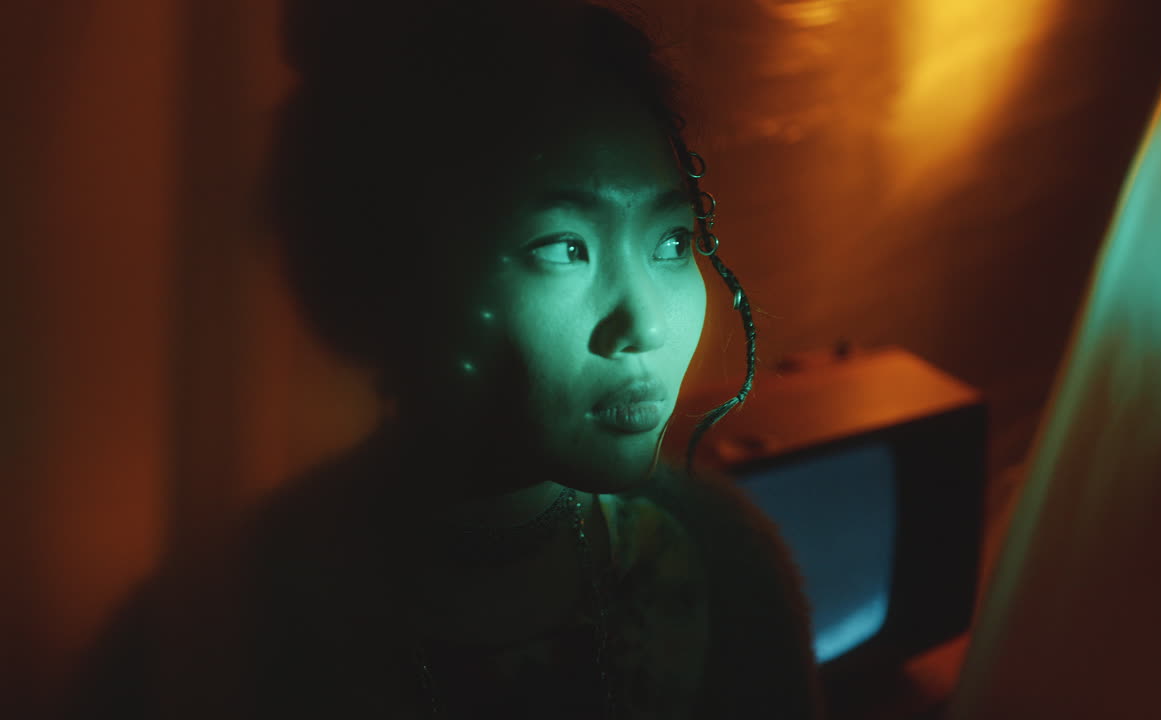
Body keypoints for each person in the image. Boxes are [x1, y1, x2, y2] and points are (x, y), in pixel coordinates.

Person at [64, 1, 827, 717]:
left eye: (670, 242)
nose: (646, 323)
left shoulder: (723, 567)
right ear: (383, 278)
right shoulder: (217, 635)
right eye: (562, 247)